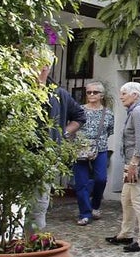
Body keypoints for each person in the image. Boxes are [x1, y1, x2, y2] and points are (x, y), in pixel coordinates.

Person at [26, 53, 86, 237]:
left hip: (46, 154)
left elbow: (79, 117)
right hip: (19, 151)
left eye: (37, 64)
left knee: (39, 201)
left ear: (46, 67)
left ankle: (33, 239)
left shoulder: (59, 93)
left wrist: (62, 133)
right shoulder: (19, 90)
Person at [107, 81, 140, 251]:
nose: (121, 96)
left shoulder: (139, 111)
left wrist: (134, 163)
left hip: (136, 164)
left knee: (139, 200)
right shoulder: (138, 110)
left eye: (124, 93)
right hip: (131, 163)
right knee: (126, 199)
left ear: (135, 95)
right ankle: (125, 234)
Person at [73, 80, 114, 225]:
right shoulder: (79, 110)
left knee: (101, 179)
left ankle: (95, 205)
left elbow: (110, 131)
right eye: (89, 92)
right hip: (80, 149)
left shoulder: (108, 113)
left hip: (100, 148)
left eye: (95, 92)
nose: (91, 94)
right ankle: (85, 213)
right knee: (81, 182)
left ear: (101, 95)